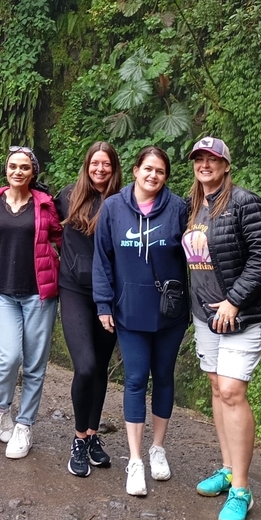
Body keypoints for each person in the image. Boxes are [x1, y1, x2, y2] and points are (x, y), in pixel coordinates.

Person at [185, 136, 261, 520]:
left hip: (241, 316)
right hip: (205, 316)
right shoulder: (193, 205)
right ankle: (229, 468)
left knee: (233, 391)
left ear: (226, 165)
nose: (205, 164)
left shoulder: (245, 202)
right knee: (217, 388)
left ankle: (242, 490)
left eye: (212, 159)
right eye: (199, 159)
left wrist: (234, 300)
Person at [93, 145, 188, 497]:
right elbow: (102, 258)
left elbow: (195, 252)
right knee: (135, 379)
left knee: (163, 377)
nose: (153, 176)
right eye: (147, 169)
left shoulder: (178, 209)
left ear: (165, 177)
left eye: (160, 171)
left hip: (170, 312)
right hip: (129, 310)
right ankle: (135, 460)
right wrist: (103, 304)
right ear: (135, 170)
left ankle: (157, 449)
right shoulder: (114, 208)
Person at [0, 147, 62, 459]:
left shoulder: (44, 204)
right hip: (3, 291)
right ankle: (2, 407)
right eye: (13, 166)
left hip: (39, 294)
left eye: (24, 168)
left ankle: (24, 424)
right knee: (7, 357)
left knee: (34, 364)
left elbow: (61, 238)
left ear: (33, 173)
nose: (17, 172)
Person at [55, 141, 122, 477]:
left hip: (109, 294)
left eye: (106, 163)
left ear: (114, 167)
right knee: (85, 366)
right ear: (87, 165)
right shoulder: (67, 197)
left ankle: (93, 435)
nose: (100, 169)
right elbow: (44, 225)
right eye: (95, 163)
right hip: (74, 290)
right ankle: (79, 439)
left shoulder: (124, 201)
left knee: (100, 369)